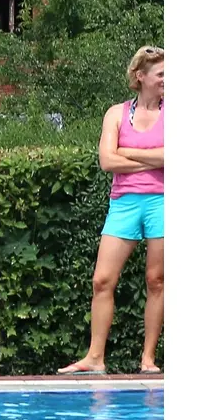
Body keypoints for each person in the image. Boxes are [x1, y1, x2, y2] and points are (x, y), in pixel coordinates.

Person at [59, 46, 164, 376]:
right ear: (141, 76)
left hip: (164, 201)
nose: (167, 81)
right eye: (161, 75)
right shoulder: (115, 114)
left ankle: (148, 359)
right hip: (123, 203)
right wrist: (154, 156)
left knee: (157, 281)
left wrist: (127, 151)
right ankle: (95, 358)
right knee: (102, 280)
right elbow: (107, 161)